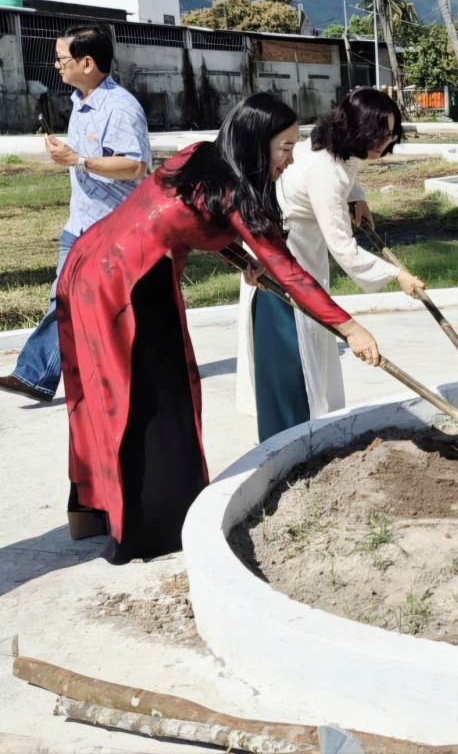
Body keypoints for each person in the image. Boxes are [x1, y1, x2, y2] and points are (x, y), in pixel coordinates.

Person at [56, 93, 383, 564]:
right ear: (256, 143)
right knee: (153, 403)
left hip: (92, 264)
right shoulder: (233, 193)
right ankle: (155, 529)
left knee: (98, 392)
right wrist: (350, 328)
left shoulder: (201, 158)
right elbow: (290, 272)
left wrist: (239, 256)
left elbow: (181, 218)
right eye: (284, 148)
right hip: (128, 288)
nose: (290, 161)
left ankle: (91, 512)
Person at [234, 88, 426, 441]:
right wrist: (397, 275)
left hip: (302, 251)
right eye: (380, 135)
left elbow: (348, 174)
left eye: (391, 134)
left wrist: (359, 198)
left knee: (314, 353)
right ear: (359, 131)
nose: (385, 143)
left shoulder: (333, 148)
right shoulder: (327, 170)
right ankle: (288, 443)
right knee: (293, 361)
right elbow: (344, 248)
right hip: (281, 265)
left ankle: (310, 434)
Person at [1, 25, 150, 406]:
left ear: (88, 62)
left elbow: (135, 167)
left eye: (62, 59)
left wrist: (78, 160)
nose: (56, 66)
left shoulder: (119, 108)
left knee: (109, 307)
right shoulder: (81, 102)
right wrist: (69, 156)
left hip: (112, 229)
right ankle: (36, 375)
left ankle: (130, 377)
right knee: (64, 300)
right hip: (80, 225)